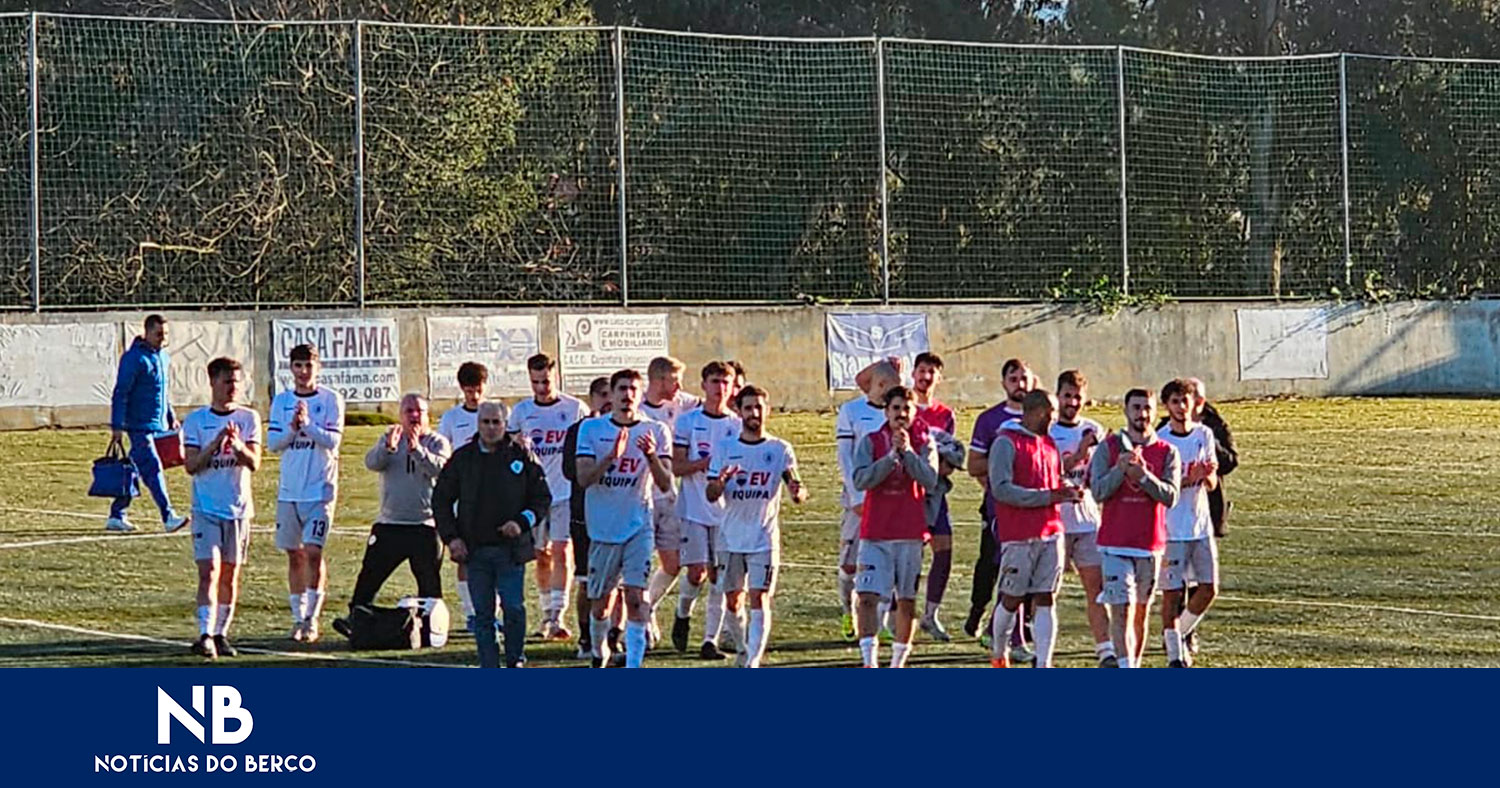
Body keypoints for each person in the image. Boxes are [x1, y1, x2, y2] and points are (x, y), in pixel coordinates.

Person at [434, 401, 552, 668]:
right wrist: (452, 538)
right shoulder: (463, 459)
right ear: (478, 424)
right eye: (485, 422)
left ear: (505, 425)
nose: (490, 428)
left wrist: (522, 522)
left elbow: (542, 498)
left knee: (513, 608)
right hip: (475, 551)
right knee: (483, 615)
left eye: (496, 422)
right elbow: (440, 500)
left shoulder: (521, 456)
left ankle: (515, 660)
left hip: (510, 551)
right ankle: (489, 665)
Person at [575, 369, 673, 668]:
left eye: (633, 389)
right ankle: (598, 650)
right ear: (612, 394)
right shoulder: (591, 430)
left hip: (638, 525)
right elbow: (583, 479)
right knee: (601, 604)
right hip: (603, 528)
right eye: (621, 389)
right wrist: (611, 457)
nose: (627, 395)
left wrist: (652, 457)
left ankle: (633, 663)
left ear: (640, 394)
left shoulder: (655, 431)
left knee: (635, 597)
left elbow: (666, 483)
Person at [707, 384, 807, 668]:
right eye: (749, 407)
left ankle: (753, 660)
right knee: (732, 601)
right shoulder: (726, 449)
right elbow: (711, 494)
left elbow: (795, 486)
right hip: (730, 538)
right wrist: (721, 482)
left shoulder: (779, 449)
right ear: (738, 411)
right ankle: (742, 648)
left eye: (759, 407)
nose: (754, 413)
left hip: (764, 538)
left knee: (759, 598)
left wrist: (798, 492)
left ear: (768, 410)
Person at [338, 394, 452, 629]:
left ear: (426, 415)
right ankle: (356, 618)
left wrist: (417, 450)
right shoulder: (391, 438)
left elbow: (440, 470)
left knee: (429, 583)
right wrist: (387, 448)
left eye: (418, 411)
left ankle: (432, 627)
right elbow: (371, 463)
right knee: (369, 575)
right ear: (400, 415)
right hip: (390, 523)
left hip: (425, 525)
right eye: (408, 411)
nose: (414, 416)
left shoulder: (437, 442)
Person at [986, 390, 1079, 668]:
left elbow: (1053, 480)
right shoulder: (1006, 442)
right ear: (1037, 412)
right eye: (1051, 411)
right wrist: (1047, 496)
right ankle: (999, 650)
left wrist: (1067, 491)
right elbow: (1001, 489)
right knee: (1012, 597)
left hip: (1051, 532)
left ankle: (1044, 662)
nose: (1055, 417)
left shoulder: (1049, 442)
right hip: (1018, 535)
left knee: (1046, 596)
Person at [851, 385, 941, 668]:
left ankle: (898, 662)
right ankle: (869, 660)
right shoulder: (871, 441)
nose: (901, 414)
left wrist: (909, 452)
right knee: (867, 597)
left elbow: (930, 479)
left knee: (906, 599)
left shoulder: (925, 440)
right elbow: (861, 480)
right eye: (896, 409)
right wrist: (890, 457)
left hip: (910, 533)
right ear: (886, 411)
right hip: (876, 532)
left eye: (907, 409)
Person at [1090, 388, 1180, 668]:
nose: (1142, 414)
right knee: (1122, 609)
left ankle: (1134, 663)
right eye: (1136, 407)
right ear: (1126, 410)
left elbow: (1171, 496)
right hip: (1115, 544)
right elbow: (1098, 491)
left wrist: (1143, 477)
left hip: (1150, 545)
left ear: (1155, 411)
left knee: (1141, 611)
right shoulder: (1110, 447)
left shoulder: (1167, 451)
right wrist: (1119, 470)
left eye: (1147, 408)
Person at [180, 357, 260, 660]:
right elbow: (191, 466)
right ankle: (204, 634)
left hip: (238, 509)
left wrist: (238, 446)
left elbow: (254, 463)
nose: (233, 388)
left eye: (237, 382)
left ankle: (221, 633)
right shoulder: (196, 421)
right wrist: (214, 444)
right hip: (206, 508)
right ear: (212, 382)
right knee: (209, 570)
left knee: (230, 574)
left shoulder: (248, 419)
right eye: (227, 382)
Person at [508, 353, 590, 639]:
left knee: (562, 550)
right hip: (535, 495)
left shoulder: (576, 408)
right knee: (541, 555)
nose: (542, 387)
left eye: (546, 381)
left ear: (556, 378)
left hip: (566, 493)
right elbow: (512, 451)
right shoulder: (520, 412)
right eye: (536, 382)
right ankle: (545, 614)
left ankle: (558, 616)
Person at [267, 343, 345, 643]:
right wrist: (292, 428)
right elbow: (274, 444)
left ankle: (312, 618)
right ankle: (298, 617)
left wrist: (308, 426)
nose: (303, 372)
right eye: (298, 366)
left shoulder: (330, 400)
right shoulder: (282, 401)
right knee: (294, 554)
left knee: (314, 552)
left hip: (320, 490)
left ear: (318, 367)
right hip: (289, 491)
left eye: (308, 366)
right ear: (291, 368)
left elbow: (333, 441)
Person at [670, 361, 743, 659]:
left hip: (726, 512)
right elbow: (676, 466)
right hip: (693, 508)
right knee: (697, 573)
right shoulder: (688, 421)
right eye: (715, 381)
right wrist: (706, 465)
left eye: (726, 382)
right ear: (704, 385)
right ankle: (682, 612)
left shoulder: (736, 425)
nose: (720, 388)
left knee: (719, 577)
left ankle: (708, 641)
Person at [965, 358, 1036, 663]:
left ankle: (1011, 630)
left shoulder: (1043, 417)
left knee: (1032, 573)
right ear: (1003, 382)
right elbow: (974, 465)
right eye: (1013, 378)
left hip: (1037, 506)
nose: (1020, 384)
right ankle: (1001, 631)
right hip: (1001, 508)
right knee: (1003, 568)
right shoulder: (990, 419)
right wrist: (999, 475)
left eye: (1024, 378)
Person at [1050, 369, 1115, 666]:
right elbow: (1051, 472)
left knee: (1097, 589)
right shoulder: (1049, 432)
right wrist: (1079, 453)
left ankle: (1106, 649)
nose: (1072, 402)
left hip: (1088, 522)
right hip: (1055, 524)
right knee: (1046, 591)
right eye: (1067, 396)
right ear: (1058, 397)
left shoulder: (1094, 429)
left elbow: (1099, 475)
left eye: (1077, 397)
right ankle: (1029, 643)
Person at [834, 359, 901, 641]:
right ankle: (849, 610)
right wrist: (857, 496)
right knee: (850, 564)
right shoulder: (851, 411)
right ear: (882, 385)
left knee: (887, 562)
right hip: (858, 500)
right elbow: (845, 458)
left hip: (890, 502)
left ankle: (881, 621)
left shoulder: (895, 414)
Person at [1156, 379, 1219, 667]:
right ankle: (1174, 655)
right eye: (1175, 402)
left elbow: (1212, 482)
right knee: (1172, 592)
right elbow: (1159, 487)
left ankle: (1177, 634)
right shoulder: (1161, 439)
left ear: (1195, 403)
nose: (1181, 408)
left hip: (1200, 525)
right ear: (1167, 406)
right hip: (1172, 528)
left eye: (1186, 401)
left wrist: (1205, 475)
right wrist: (1186, 478)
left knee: (1209, 588)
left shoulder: (1204, 434)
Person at [107, 314, 190, 534]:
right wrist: (117, 425)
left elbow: (161, 391)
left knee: (135, 468)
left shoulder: (163, 357)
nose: (163, 339)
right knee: (152, 467)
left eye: (166, 334)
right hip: (139, 425)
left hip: (158, 425)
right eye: (159, 334)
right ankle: (168, 515)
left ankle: (117, 513)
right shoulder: (134, 358)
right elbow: (121, 392)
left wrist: (170, 416)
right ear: (147, 332)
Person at [640, 356, 700, 647]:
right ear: (659, 380)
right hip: (638, 498)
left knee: (674, 563)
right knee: (637, 563)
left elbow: (715, 404)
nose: (680, 386)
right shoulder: (636, 407)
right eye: (675, 379)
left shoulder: (684, 402)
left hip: (667, 496)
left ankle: (647, 605)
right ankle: (632, 621)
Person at [562, 377, 623, 660]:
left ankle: (615, 636)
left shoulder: (630, 428)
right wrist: (602, 461)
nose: (608, 400)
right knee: (587, 581)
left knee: (619, 582)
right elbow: (570, 472)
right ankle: (586, 639)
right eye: (602, 395)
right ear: (592, 398)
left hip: (621, 515)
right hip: (585, 515)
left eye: (612, 394)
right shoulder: (579, 431)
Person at [910, 352, 964, 641]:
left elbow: (950, 456)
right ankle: (896, 614)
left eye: (931, 372)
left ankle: (931, 614)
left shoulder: (945, 414)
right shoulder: (905, 407)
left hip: (936, 493)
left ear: (939, 378)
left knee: (944, 550)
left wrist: (943, 466)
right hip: (910, 493)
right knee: (909, 555)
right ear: (913, 373)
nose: (926, 376)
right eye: (921, 370)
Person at [437, 361, 491, 633]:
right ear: (462, 389)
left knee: (495, 555)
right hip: (464, 498)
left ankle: (494, 613)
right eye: (469, 390)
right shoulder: (451, 418)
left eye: (478, 389)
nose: (475, 395)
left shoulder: (495, 415)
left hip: (493, 498)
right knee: (465, 556)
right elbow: (444, 459)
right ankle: (471, 613)